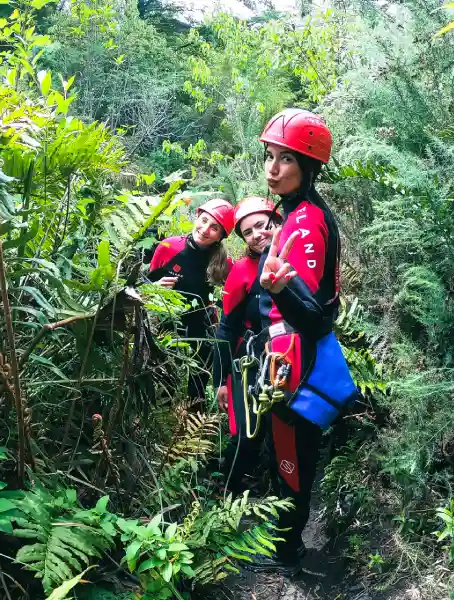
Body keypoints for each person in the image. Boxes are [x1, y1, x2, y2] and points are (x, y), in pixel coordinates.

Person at [247, 108, 345, 575]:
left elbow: (311, 316)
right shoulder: (295, 213)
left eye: (285, 159)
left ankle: (288, 553)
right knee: (287, 453)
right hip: (288, 359)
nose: (273, 167)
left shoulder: (305, 222)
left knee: (291, 458)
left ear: (308, 167)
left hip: (296, 364)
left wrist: (280, 289)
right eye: (270, 156)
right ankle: (286, 544)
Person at [212, 197, 282, 494]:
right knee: (248, 431)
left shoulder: (299, 257)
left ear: (275, 220)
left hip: (287, 356)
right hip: (251, 361)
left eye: (261, 226)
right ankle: (226, 489)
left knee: (279, 429)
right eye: (247, 232)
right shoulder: (242, 270)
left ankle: (270, 483)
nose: (256, 235)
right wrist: (221, 380)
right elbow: (227, 327)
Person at [148, 198, 235, 410]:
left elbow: (232, 300)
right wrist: (156, 286)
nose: (205, 230)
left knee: (197, 389)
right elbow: (145, 286)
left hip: (203, 328)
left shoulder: (225, 264)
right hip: (166, 324)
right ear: (197, 217)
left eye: (214, 228)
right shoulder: (168, 247)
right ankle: (165, 425)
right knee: (164, 381)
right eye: (203, 220)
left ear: (221, 236)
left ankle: (193, 429)